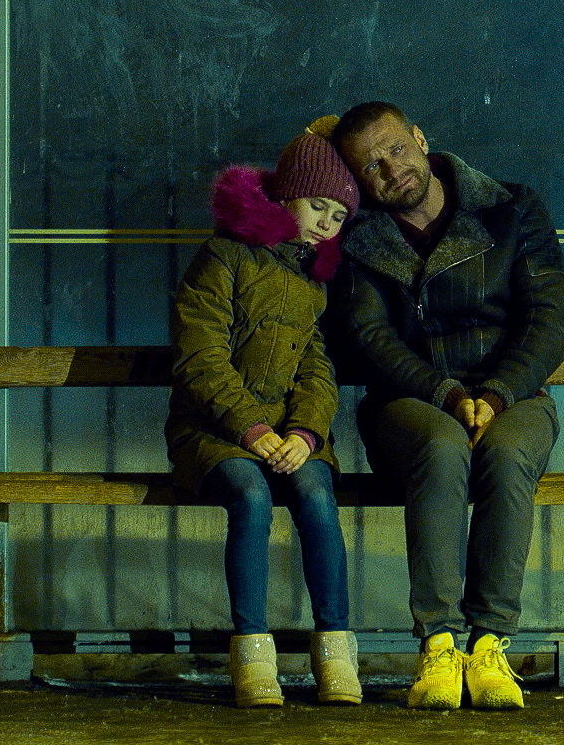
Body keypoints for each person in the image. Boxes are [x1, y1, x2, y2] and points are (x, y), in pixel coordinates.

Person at [327, 101, 564, 710]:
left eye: (396, 149)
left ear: (420, 138)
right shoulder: (358, 238)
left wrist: (496, 393)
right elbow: (368, 336)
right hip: (409, 401)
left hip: (514, 393)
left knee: (508, 453)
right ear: (356, 179)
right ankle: (437, 642)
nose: (392, 171)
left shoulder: (512, 208)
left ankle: (488, 643)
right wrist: (447, 394)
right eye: (371, 166)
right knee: (440, 447)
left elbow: (548, 318)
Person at [165, 118, 363, 708]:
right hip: (212, 429)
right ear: (285, 197)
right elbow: (200, 356)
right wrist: (251, 430)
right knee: (250, 498)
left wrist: (305, 433)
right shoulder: (224, 257)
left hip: (286, 435)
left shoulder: (311, 280)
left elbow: (316, 369)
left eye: (338, 215)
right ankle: (253, 653)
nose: (325, 223)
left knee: (317, 496)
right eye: (317, 206)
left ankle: (335, 651)